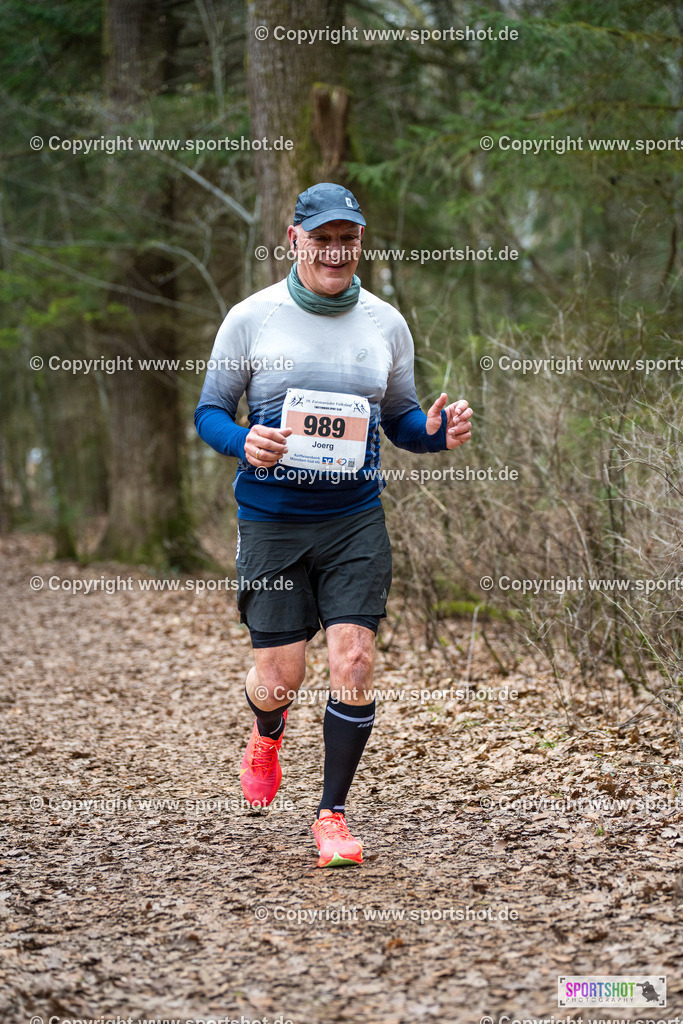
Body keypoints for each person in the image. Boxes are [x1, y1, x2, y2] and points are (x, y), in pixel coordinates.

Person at [195, 182, 472, 868]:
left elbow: (402, 419)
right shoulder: (251, 318)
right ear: (294, 241)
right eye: (321, 239)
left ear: (359, 242)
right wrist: (242, 441)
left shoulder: (385, 323)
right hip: (271, 519)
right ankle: (266, 732)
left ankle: (331, 816)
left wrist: (436, 434)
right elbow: (208, 413)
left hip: (353, 520)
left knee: (353, 660)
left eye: (346, 239)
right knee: (280, 676)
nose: (334, 251)